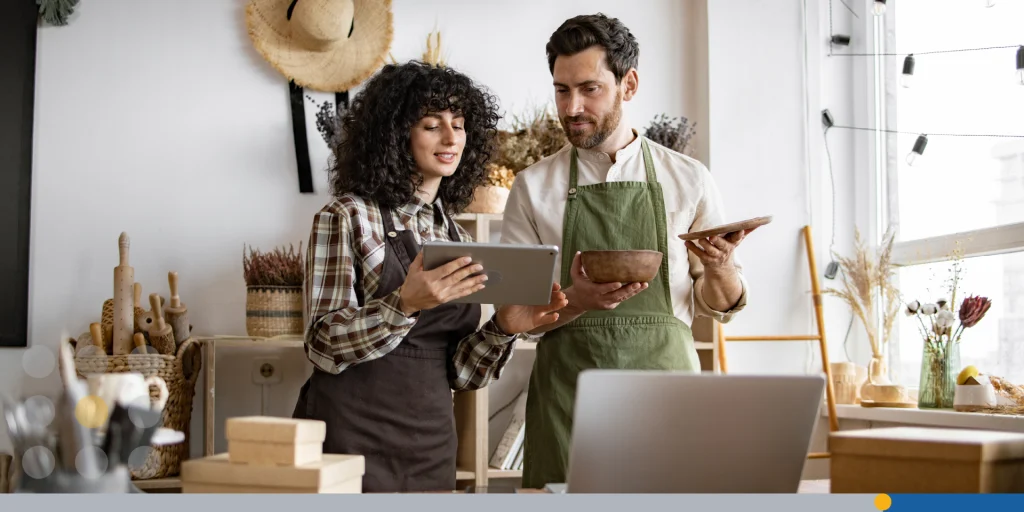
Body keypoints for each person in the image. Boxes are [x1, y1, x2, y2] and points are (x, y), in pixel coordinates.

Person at [499, 14, 756, 488]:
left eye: (589, 89)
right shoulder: (533, 188)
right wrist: (577, 300)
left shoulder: (689, 179)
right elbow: (512, 315)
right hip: (568, 398)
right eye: (561, 90)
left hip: (668, 397)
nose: (572, 107)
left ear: (629, 84)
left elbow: (720, 305)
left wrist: (721, 265)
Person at [293, 61, 569, 494]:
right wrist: (403, 304)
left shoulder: (454, 233)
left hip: (431, 444)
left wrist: (504, 329)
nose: (450, 138)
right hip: (348, 437)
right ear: (396, 133)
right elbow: (322, 344)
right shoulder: (346, 216)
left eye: (459, 125)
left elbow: (457, 373)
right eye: (431, 124)